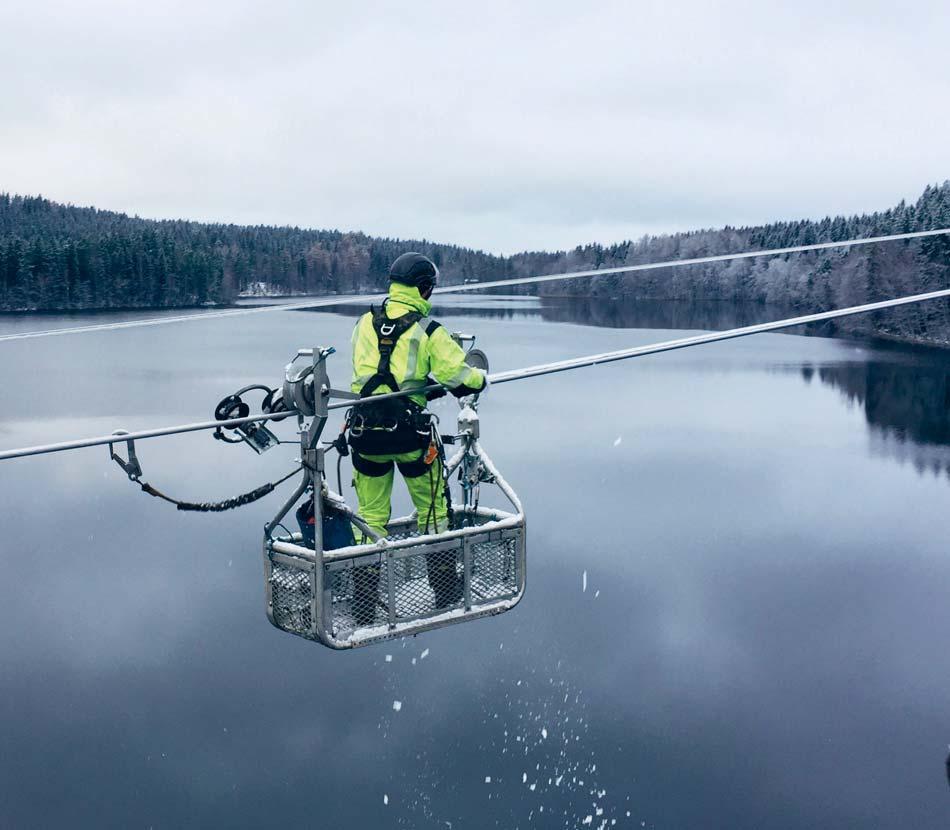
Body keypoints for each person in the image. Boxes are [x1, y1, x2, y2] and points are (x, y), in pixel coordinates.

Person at [346, 252, 487, 620]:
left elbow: (366, 371)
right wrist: (480, 378)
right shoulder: (429, 331)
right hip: (409, 437)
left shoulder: (364, 322)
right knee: (433, 512)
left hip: (366, 432)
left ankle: (363, 605)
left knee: (370, 516)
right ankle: (444, 593)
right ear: (424, 288)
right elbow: (459, 376)